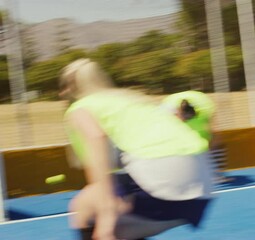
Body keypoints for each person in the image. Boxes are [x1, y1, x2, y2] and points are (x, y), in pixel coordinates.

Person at [59, 59, 214, 240]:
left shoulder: (80, 109)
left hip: (161, 172)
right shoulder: (128, 99)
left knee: (86, 207)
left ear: (71, 87)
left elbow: (96, 139)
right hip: (203, 182)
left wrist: (106, 217)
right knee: (118, 228)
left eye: (62, 86)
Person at [161, 91, 232, 183]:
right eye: (180, 117)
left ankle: (215, 175)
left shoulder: (204, 112)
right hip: (172, 106)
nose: (183, 120)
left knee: (210, 143)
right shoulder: (167, 113)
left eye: (185, 118)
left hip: (199, 105)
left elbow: (211, 138)